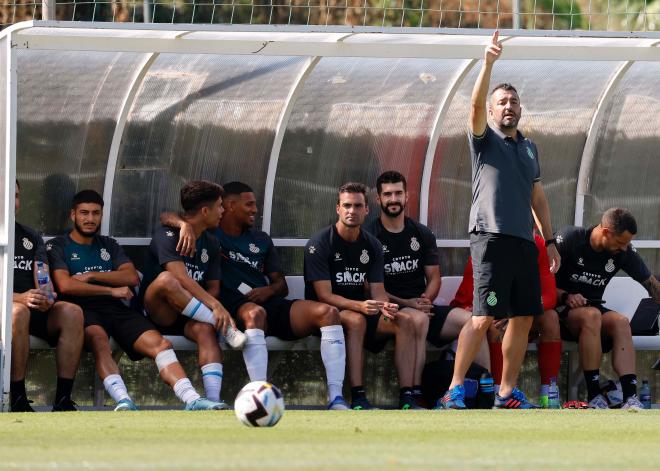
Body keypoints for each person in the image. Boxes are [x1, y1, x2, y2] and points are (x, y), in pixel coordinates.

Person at [439, 30, 561, 410]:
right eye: (502, 102)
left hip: (525, 243)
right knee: (482, 317)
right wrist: (488, 62)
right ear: (492, 111)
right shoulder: (483, 140)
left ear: (520, 109)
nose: (508, 106)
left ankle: (507, 393)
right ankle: (454, 389)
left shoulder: (529, 147)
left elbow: (536, 197)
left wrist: (551, 239)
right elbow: (473, 108)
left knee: (525, 316)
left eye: (513, 101)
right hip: (490, 239)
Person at [162, 181, 349, 410]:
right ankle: (260, 397)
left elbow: (281, 284)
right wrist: (184, 225)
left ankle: (337, 398)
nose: (255, 209)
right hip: (235, 307)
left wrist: (268, 290)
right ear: (229, 206)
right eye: (249, 204)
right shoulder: (211, 234)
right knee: (255, 314)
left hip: (270, 303)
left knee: (328, 313)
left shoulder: (261, 239)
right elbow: (166, 216)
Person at [47, 189, 225, 411]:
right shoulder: (58, 245)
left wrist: (92, 276)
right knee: (99, 340)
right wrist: (111, 290)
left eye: (96, 213)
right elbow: (66, 285)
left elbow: (130, 276)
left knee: (161, 345)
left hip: (118, 310)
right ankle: (124, 401)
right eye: (84, 213)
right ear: (73, 215)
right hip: (82, 310)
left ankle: (191, 399)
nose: (90, 219)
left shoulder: (108, 245)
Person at [305, 182, 419, 410]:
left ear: (367, 210)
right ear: (337, 208)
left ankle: (407, 398)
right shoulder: (319, 243)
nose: (352, 211)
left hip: (361, 308)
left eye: (358, 206)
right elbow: (324, 295)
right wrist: (360, 305)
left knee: (405, 321)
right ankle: (358, 397)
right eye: (347, 205)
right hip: (327, 315)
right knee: (356, 321)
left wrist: (385, 306)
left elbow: (378, 292)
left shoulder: (373, 244)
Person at [364, 170, 461, 408]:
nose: (393, 199)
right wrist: (411, 304)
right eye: (388, 194)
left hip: (421, 306)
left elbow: (434, 277)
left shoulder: (421, 233)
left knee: (474, 321)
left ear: (408, 196)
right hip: (387, 310)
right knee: (415, 319)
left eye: (398, 193)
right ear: (378, 199)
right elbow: (369, 288)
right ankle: (411, 394)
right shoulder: (369, 236)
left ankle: (477, 389)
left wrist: (427, 299)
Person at [140, 181, 236, 406]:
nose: (222, 211)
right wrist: (216, 308)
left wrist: (213, 301)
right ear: (205, 211)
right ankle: (221, 324)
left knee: (205, 331)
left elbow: (213, 286)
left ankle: (213, 401)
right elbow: (181, 278)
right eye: (220, 206)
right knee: (168, 280)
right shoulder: (167, 234)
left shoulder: (211, 242)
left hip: (189, 313)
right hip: (157, 312)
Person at [553, 208, 660, 410]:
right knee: (592, 315)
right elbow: (540, 281)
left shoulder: (623, 251)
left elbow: (651, 284)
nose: (624, 248)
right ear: (605, 231)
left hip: (591, 313)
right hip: (558, 312)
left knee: (620, 322)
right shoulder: (570, 239)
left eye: (627, 243)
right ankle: (594, 396)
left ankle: (630, 398)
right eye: (620, 242)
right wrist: (566, 296)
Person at [450, 232, 561, 407]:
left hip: (522, 313)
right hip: (488, 311)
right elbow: (478, 293)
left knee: (551, 318)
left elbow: (549, 295)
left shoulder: (537, 244)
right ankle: (498, 391)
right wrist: (506, 312)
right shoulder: (490, 243)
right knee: (493, 322)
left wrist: (519, 311)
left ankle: (549, 394)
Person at [10, 180, 84, 412]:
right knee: (18, 311)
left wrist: (46, 297)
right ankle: (18, 398)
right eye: (7, 195)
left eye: (17, 196)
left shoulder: (30, 236)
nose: (13, 202)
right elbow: (20, 302)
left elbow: (43, 278)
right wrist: (20, 298)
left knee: (72, 312)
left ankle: (63, 400)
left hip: (32, 307)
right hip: (11, 310)